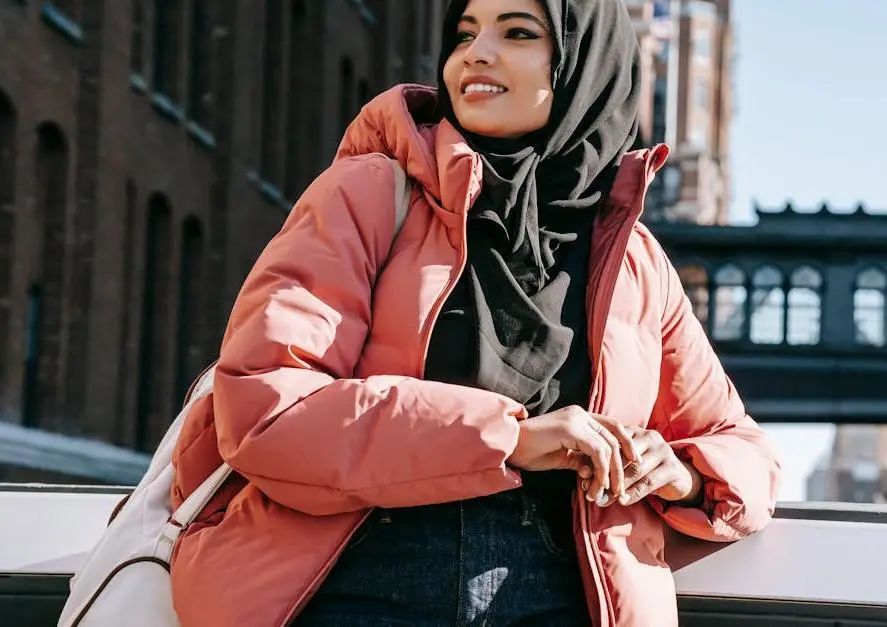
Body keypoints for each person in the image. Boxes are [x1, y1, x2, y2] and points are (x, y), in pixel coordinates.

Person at [167, 0, 781, 625]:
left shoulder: (632, 261)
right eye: (464, 34)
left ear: (584, 61)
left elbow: (744, 452)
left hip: (562, 591)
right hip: (356, 577)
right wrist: (510, 439)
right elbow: (266, 409)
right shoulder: (370, 193)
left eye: (517, 32)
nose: (475, 53)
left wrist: (678, 471)